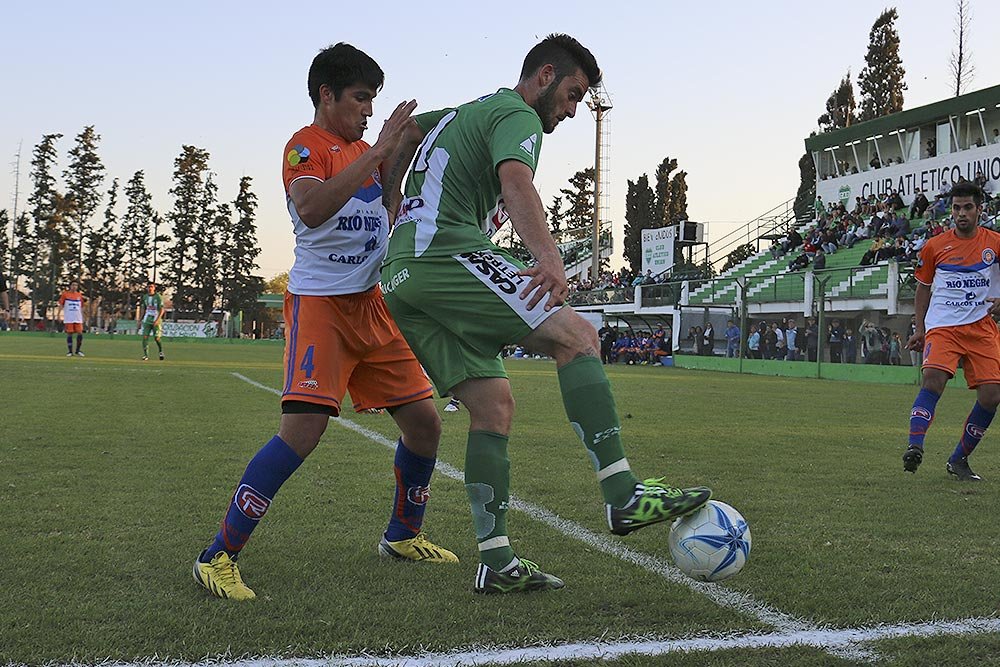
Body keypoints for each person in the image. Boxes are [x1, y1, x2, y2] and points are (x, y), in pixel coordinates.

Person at [380, 34, 711, 594]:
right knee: (578, 336)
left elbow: (406, 133)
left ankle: (496, 562)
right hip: (444, 253)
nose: (574, 109)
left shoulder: (465, 112)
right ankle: (623, 494)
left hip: (402, 276)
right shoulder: (517, 114)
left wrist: (393, 199)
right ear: (545, 75)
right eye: (573, 94)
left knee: (493, 406)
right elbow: (516, 181)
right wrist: (549, 258)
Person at [193, 43, 458, 601]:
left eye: (373, 100)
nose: (368, 110)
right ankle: (217, 555)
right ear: (326, 95)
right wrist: (378, 150)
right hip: (322, 308)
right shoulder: (305, 146)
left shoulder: (367, 152)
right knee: (302, 432)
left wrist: (398, 155)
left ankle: (402, 536)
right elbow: (312, 209)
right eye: (360, 98)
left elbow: (390, 204)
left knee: (425, 424)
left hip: (373, 308)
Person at [903, 182, 1000, 482]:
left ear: (979, 209)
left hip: (981, 327)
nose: (961, 213)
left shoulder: (995, 243)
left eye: (967, 207)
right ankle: (914, 446)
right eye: (956, 208)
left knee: (992, 396)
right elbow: (923, 288)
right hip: (943, 326)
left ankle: (958, 460)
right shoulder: (935, 246)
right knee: (933, 379)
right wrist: (920, 328)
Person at [139, 281, 166, 361]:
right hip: (147, 319)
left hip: (156, 319)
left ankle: (161, 351)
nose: (150, 288)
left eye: (151, 287)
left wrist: (158, 320)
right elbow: (143, 308)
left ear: (154, 288)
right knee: (145, 337)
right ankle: (146, 355)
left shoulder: (158, 296)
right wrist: (140, 319)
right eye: (149, 287)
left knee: (157, 338)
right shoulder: (145, 297)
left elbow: (162, 309)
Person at [58, 280, 86, 356]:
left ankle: (78, 350)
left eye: (76, 285)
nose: (74, 287)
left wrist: (83, 316)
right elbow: (61, 305)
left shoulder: (79, 295)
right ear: (70, 286)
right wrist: (59, 314)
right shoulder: (65, 294)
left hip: (78, 317)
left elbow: (82, 307)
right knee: (69, 333)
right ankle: (70, 351)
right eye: (73, 285)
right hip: (69, 317)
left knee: (80, 333)